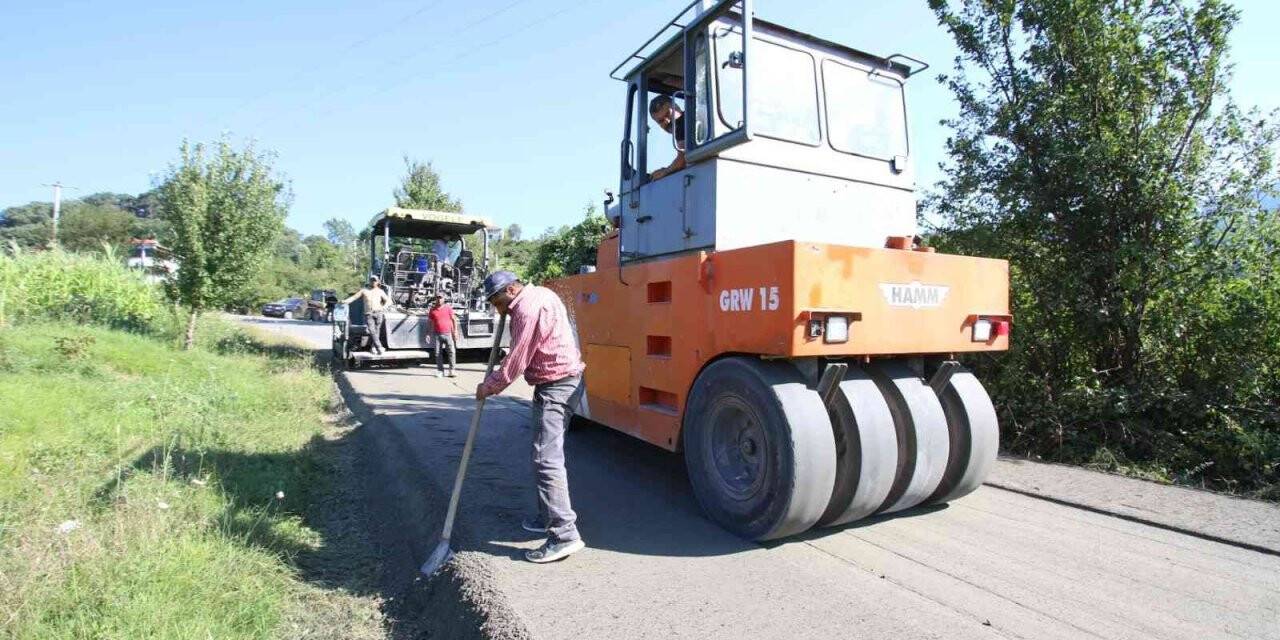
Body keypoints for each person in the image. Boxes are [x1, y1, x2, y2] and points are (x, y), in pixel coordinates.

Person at [476, 270, 587, 564]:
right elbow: (528, 347)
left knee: (546, 459)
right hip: (563, 380)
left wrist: (489, 387)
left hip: (557, 384)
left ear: (512, 289)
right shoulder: (543, 294)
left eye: (498, 302)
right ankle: (546, 516)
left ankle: (564, 535)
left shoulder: (525, 307)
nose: (499, 310)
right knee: (544, 454)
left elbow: (518, 359)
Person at [342, 275, 392, 355]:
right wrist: (345, 301)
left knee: (377, 331)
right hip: (369, 314)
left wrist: (383, 307)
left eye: (375, 280)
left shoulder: (380, 291)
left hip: (379, 313)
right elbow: (354, 297)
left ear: (378, 282)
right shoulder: (364, 291)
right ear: (369, 281)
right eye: (372, 280)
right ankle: (379, 347)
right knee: (372, 330)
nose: (373, 282)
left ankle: (373, 348)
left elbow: (389, 301)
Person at [648, 94, 686, 181]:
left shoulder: (683, 123)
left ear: (676, 107)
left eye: (668, 114)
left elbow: (683, 159)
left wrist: (665, 172)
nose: (667, 121)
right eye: (661, 121)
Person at [428, 294, 459, 378]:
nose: (439, 300)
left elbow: (454, 319)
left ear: (444, 299)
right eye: (437, 298)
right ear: (435, 299)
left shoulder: (448, 308)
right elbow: (430, 322)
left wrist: (455, 331)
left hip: (448, 334)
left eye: (440, 298)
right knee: (438, 353)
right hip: (437, 335)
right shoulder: (432, 310)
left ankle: (452, 370)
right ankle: (440, 371)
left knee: (451, 352)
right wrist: (428, 334)